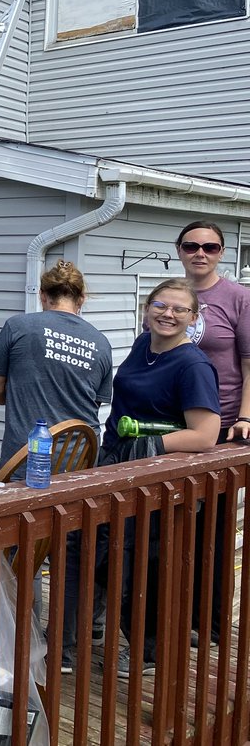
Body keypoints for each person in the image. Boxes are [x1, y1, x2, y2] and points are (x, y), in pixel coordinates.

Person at [0, 260, 113, 671]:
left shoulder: (19, 326)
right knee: (70, 554)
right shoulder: (101, 341)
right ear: (82, 299)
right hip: (80, 465)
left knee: (23, 552)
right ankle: (67, 651)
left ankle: (25, 647)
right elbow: (95, 402)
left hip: (29, 464)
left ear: (43, 295)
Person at [98, 279, 220, 679]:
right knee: (105, 555)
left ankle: (149, 652)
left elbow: (205, 434)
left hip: (155, 477)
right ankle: (112, 631)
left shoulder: (193, 365)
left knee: (141, 565)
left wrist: (152, 447)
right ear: (147, 308)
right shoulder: (141, 344)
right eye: (160, 305)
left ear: (193, 318)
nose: (168, 314)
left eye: (179, 309)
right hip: (115, 463)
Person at [172, 220, 250, 644]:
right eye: (192, 246)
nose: (200, 253)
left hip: (221, 426)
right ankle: (176, 616)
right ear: (180, 250)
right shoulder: (172, 296)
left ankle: (213, 624)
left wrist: (246, 416)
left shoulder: (237, 297)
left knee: (215, 530)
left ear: (221, 252)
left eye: (210, 246)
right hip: (174, 426)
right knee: (175, 526)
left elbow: (249, 361)